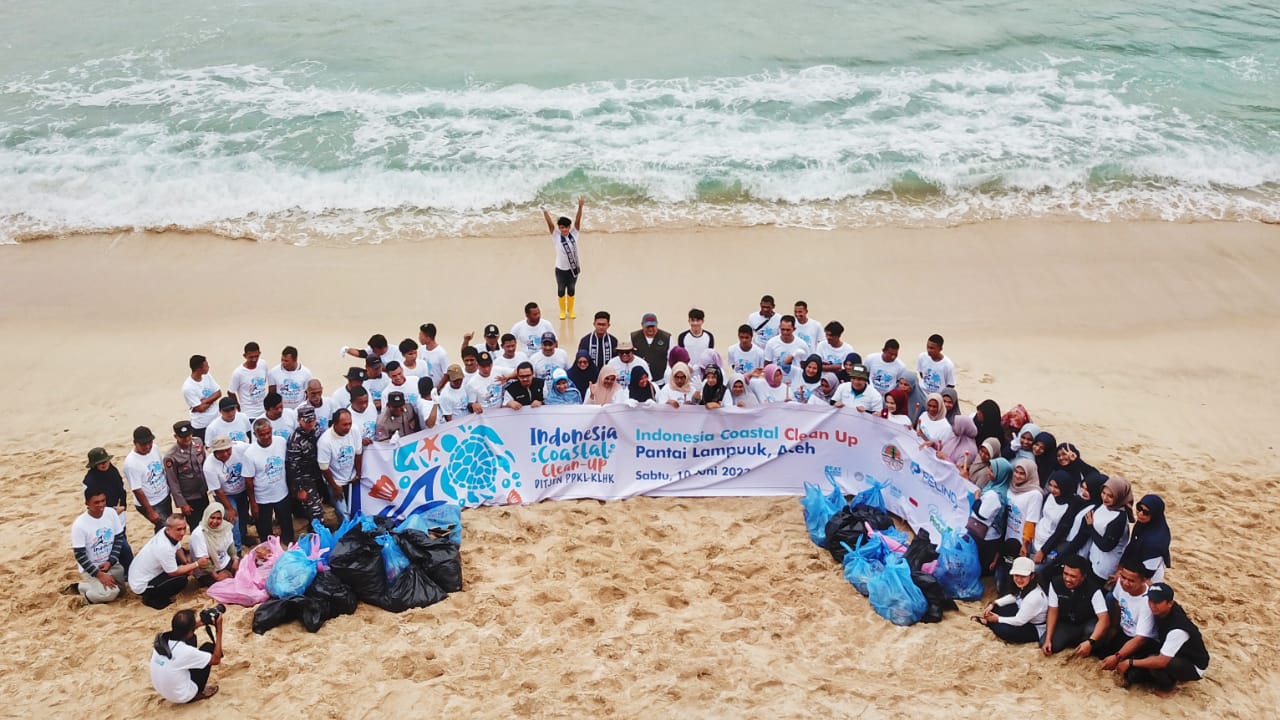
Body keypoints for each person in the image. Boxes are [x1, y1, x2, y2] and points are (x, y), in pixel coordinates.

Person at [1121, 583, 1209, 694]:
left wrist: (1130, 662)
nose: (1152, 605)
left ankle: (1168, 688)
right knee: (1134, 675)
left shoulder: (1178, 629)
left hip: (1192, 664)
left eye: (1157, 602)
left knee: (1155, 663)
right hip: (1171, 650)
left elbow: (1161, 661)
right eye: (1150, 600)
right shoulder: (1163, 611)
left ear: (1170, 604)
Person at [1041, 554, 1110, 656]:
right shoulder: (1055, 583)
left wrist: (1091, 641)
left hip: (1086, 624)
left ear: (1083, 577)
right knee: (1046, 644)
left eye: (1073, 576)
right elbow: (1053, 610)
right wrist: (1048, 639)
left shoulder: (1094, 589)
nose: (1068, 579)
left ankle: (1087, 643)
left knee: (1093, 632)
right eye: (1065, 574)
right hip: (1066, 624)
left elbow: (1104, 619)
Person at [67, 487, 127, 604]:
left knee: (121, 591)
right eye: (96, 502)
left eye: (103, 501)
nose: (101, 505)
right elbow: (80, 555)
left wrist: (111, 561)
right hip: (92, 568)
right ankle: (86, 597)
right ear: (87, 503)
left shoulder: (111, 513)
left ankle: (83, 586)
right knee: (111, 593)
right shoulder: (79, 525)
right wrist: (99, 575)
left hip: (111, 564)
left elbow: (119, 538)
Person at [149, 608, 223, 703]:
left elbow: (184, 632)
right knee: (208, 647)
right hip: (182, 696)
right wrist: (219, 630)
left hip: (164, 691)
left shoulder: (161, 640)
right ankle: (197, 693)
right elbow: (216, 660)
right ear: (190, 631)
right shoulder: (186, 651)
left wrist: (201, 622)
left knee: (191, 639)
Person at [1094, 559, 1157, 671]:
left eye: (1131, 581)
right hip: (1124, 631)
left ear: (1143, 581)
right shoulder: (1121, 584)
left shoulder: (1148, 603)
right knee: (1100, 652)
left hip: (1140, 640)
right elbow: (1118, 604)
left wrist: (1117, 657)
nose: (1125, 583)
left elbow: (1140, 639)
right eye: (1123, 577)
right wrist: (1114, 627)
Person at [127, 514, 198, 609]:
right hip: (142, 584)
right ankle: (152, 599)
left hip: (144, 573)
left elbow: (178, 548)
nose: (182, 533)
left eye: (184, 528)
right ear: (168, 529)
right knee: (181, 579)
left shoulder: (167, 533)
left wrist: (186, 563)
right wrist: (196, 564)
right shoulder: (164, 547)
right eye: (179, 529)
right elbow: (173, 572)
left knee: (183, 566)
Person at [975, 557, 1047, 644]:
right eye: (1016, 575)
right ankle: (990, 619)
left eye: (1023, 576)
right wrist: (994, 603)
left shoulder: (1033, 597)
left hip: (1033, 627)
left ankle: (989, 622)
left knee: (1004, 630)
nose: (1019, 580)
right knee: (996, 608)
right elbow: (1015, 596)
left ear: (1032, 576)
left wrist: (998, 619)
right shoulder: (1027, 585)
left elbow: (1019, 621)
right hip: (1023, 613)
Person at [244, 417, 293, 545]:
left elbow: (287, 464)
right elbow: (248, 481)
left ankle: (288, 545)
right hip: (262, 498)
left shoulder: (281, 442)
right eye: (262, 434)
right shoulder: (250, 453)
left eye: (268, 433)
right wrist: (253, 503)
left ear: (272, 430)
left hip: (282, 493)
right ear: (255, 435)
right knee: (265, 531)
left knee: (287, 525)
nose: (266, 437)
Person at [82, 446, 133, 567]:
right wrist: (106, 513)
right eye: (100, 463)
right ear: (94, 465)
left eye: (106, 461)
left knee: (121, 542)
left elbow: (122, 489)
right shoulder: (89, 481)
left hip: (118, 513)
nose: (104, 464)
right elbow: (91, 503)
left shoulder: (113, 471)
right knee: (121, 547)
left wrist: (123, 506)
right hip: (103, 517)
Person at [1033, 469, 1089, 572]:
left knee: (1036, 570)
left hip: (1049, 544)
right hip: (1036, 537)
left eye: (1057, 487)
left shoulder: (1071, 505)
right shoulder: (1049, 496)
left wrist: (1043, 551)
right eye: (1050, 485)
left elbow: (1060, 531)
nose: (1052, 489)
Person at [202, 435, 250, 552]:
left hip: (242, 489)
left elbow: (254, 449)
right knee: (233, 520)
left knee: (244, 515)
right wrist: (229, 508)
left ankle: (243, 537)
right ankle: (237, 549)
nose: (225, 454)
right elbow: (218, 490)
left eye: (228, 450)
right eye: (221, 451)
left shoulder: (240, 447)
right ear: (214, 451)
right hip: (225, 495)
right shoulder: (209, 466)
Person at [1085, 474, 1133, 585]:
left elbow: (1106, 546)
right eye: (1103, 493)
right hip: (1094, 556)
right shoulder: (1105, 506)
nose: (1105, 498)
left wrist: (1090, 527)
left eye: (1110, 496)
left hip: (1104, 566)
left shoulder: (1119, 519)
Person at [542, 197, 584, 319]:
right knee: (561, 290)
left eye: (566, 227)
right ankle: (562, 310)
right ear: (559, 228)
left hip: (573, 269)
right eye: (561, 227)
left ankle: (570, 310)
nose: (564, 229)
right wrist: (545, 211)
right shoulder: (556, 236)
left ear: (569, 227)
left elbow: (578, 221)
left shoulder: (574, 234)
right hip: (560, 269)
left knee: (571, 289)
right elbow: (550, 225)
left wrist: (580, 207)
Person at [318, 408, 362, 522]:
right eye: (344, 424)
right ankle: (346, 532)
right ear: (335, 424)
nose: (348, 427)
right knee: (343, 514)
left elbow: (358, 453)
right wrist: (335, 486)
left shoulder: (354, 430)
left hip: (351, 477)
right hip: (335, 481)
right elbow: (324, 468)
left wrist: (358, 473)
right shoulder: (325, 441)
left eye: (350, 423)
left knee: (356, 510)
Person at [971, 457, 1013, 574]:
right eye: (989, 469)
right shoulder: (999, 488)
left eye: (992, 471)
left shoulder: (994, 495)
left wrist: (977, 498)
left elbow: (982, 514)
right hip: (991, 536)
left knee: (980, 566)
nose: (988, 473)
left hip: (986, 536)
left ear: (1001, 474)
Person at [125, 425, 171, 531]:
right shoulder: (131, 464)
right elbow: (137, 490)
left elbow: (162, 469)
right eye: (143, 444)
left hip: (164, 495)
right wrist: (150, 511)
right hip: (151, 503)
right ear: (135, 443)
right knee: (166, 529)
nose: (147, 446)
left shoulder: (155, 448)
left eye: (149, 442)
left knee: (167, 525)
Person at [163, 420, 209, 524]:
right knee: (195, 525)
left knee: (207, 521)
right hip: (189, 497)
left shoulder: (198, 442)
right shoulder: (171, 456)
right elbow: (173, 482)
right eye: (183, 437)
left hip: (203, 492)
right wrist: (182, 504)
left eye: (189, 435)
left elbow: (205, 464)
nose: (187, 439)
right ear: (176, 437)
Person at [285, 406, 325, 523]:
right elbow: (293, 468)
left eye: (313, 420)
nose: (311, 423)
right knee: (316, 511)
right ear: (299, 420)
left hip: (319, 473)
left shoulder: (317, 428)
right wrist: (300, 489)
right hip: (304, 478)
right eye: (307, 421)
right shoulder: (295, 441)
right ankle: (317, 531)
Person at [1121, 494, 1172, 583]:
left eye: (1146, 512)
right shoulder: (1145, 523)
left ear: (1154, 514)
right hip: (1137, 563)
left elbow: (1148, 572)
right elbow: (1132, 544)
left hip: (1146, 577)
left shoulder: (1155, 541)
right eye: (1139, 508)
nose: (1140, 513)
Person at [189, 503, 238, 584]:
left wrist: (235, 560)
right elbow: (204, 562)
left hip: (224, 563)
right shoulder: (198, 534)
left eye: (219, 518)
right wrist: (217, 577)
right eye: (212, 517)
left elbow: (230, 545)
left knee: (244, 569)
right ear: (207, 516)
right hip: (208, 572)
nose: (215, 521)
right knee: (227, 584)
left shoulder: (225, 527)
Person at [1006, 458, 1045, 559]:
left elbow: (1031, 521)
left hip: (1021, 541)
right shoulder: (1012, 486)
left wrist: (1025, 544)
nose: (1017, 476)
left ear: (1029, 474)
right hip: (1007, 536)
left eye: (1022, 473)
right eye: (1016, 471)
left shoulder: (1035, 494)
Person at [181, 355, 222, 442]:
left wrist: (205, 401)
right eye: (206, 366)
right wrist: (212, 398)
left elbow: (218, 393)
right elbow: (201, 408)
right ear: (199, 369)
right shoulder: (188, 387)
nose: (209, 367)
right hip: (202, 425)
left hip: (216, 419)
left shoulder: (207, 376)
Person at [227, 341, 269, 420]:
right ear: (244, 356)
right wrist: (238, 407)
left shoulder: (263, 364)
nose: (254, 359)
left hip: (264, 412)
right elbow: (231, 392)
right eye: (251, 357)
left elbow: (264, 380)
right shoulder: (238, 373)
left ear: (259, 353)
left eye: (256, 356)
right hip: (249, 414)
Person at [630, 313, 671, 381]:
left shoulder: (667, 338)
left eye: (653, 326)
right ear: (642, 325)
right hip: (639, 381)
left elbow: (671, 359)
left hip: (661, 380)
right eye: (648, 326)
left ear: (657, 324)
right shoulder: (633, 337)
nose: (650, 329)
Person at [417, 323, 450, 387]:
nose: (419, 338)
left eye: (421, 335)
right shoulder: (421, 349)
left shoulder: (442, 353)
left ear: (428, 338)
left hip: (437, 389)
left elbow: (446, 374)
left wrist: (437, 389)